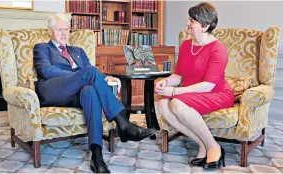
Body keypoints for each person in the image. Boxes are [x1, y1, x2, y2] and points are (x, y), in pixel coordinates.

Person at [33, 13, 156, 173]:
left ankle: (96, 155)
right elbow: (46, 71)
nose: (64, 33)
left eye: (66, 29)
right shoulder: (42, 48)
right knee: (89, 72)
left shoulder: (78, 51)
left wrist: (107, 78)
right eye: (59, 30)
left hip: (77, 92)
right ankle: (123, 123)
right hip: (53, 90)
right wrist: (79, 76)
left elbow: (92, 75)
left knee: (90, 91)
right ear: (50, 32)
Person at [155, 2, 234, 170]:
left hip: (216, 92)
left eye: (192, 20)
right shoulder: (186, 45)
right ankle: (203, 144)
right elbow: (179, 75)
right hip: (191, 91)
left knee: (176, 103)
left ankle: (214, 147)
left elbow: (208, 85)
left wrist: (175, 91)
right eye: (189, 19)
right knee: (162, 104)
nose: (187, 23)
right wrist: (167, 82)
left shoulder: (218, 49)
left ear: (204, 26)